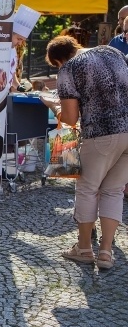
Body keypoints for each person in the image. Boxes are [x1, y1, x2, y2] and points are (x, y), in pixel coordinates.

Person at [40, 35, 128, 270]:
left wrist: (53, 105)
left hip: (101, 133)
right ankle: (106, 252)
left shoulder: (69, 68)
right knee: (113, 191)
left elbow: (70, 118)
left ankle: (84, 248)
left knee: (88, 189)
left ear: (59, 61)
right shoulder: (113, 52)